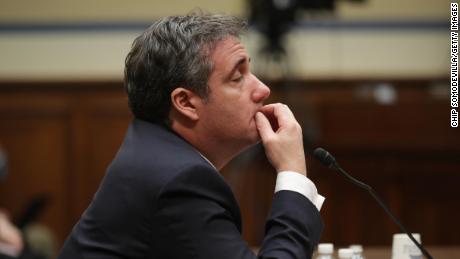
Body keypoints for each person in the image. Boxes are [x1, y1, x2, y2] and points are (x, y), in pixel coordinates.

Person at [58, 13, 324, 259]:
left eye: (249, 71)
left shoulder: (156, 151)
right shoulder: (178, 181)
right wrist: (292, 173)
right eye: (237, 77)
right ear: (186, 102)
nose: (263, 89)